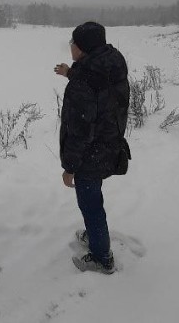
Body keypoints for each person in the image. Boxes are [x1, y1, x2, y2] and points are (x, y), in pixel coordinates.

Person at [54, 21, 129, 274]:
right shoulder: (111, 64)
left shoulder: (84, 82)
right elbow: (98, 85)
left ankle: (101, 257)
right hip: (109, 145)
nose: (70, 47)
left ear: (83, 47)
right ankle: (96, 237)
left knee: (90, 203)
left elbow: (79, 131)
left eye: (73, 43)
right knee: (93, 198)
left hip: (91, 154)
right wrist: (72, 72)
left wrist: (69, 167)